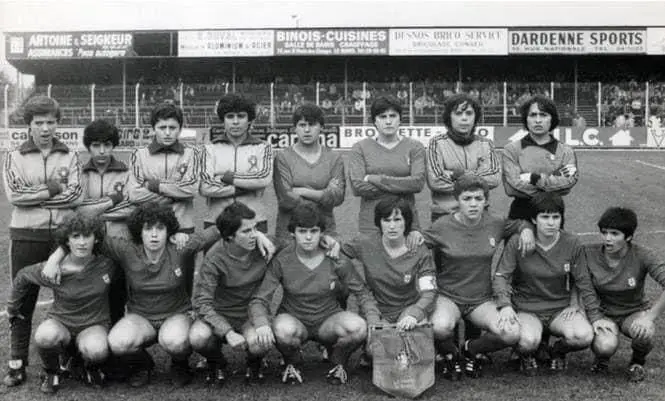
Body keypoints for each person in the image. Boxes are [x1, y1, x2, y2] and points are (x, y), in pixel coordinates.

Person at [42, 202, 221, 387]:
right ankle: (142, 365)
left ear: (169, 231)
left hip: (176, 314)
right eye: (148, 229)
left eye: (160, 229)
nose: (154, 234)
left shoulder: (180, 246)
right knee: (118, 343)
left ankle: (180, 365)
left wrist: (251, 230)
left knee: (175, 341)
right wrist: (56, 257)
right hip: (140, 317)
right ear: (139, 232)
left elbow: (218, 230)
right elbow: (87, 237)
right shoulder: (127, 250)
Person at [249, 204, 380, 385]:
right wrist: (262, 323)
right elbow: (260, 299)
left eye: (314, 231)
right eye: (303, 231)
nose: (309, 237)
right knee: (282, 330)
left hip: (328, 321)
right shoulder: (282, 259)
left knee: (357, 327)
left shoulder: (335, 257)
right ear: (293, 233)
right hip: (295, 319)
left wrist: (373, 321)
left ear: (322, 233)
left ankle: (338, 362)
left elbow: (363, 292)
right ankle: (292, 362)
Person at [2, 95, 83, 386]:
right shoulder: (14, 155)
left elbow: (76, 195)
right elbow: (14, 196)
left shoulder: (70, 154)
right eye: (39, 123)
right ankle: (17, 361)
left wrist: (35, 198)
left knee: (71, 295)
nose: (46, 128)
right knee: (22, 300)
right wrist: (51, 191)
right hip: (26, 235)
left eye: (51, 122)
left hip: (62, 237)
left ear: (57, 123)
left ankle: (71, 355)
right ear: (29, 125)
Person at [422, 174, 531, 379]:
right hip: (448, 296)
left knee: (511, 332)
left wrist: (526, 231)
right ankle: (451, 354)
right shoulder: (442, 225)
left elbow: (519, 225)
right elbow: (419, 242)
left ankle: (470, 349)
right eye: (467, 198)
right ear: (457, 200)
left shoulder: (495, 223)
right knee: (439, 327)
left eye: (478, 199)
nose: (473, 204)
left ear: (486, 200)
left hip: (481, 300)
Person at [493, 193, 603, 376]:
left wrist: (595, 316)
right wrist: (504, 305)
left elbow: (584, 281)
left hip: (559, 309)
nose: (551, 223)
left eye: (556, 217)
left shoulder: (572, 243)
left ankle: (556, 351)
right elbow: (501, 276)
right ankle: (526, 354)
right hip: (527, 308)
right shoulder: (517, 242)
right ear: (533, 220)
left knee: (583, 336)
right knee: (527, 341)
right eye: (545, 217)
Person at [7, 213, 113, 393]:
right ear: (67, 241)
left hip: (94, 324)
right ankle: (51, 371)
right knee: (45, 336)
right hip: (61, 322)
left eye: (87, 236)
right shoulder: (56, 269)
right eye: (75, 236)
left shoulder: (108, 264)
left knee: (97, 350)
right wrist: (12, 306)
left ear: (96, 239)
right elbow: (23, 275)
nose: (81, 242)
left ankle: (88, 367)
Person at [189, 202, 277, 386]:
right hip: (220, 314)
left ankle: (254, 363)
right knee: (198, 337)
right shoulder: (214, 259)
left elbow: (296, 241)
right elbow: (201, 303)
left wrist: (329, 241)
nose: (253, 234)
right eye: (246, 231)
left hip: (250, 314)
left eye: (255, 228)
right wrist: (226, 331)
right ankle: (217, 362)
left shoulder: (264, 246)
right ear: (229, 236)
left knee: (261, 342)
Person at [586, 207, 665, 382]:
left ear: (628, 237)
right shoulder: (589, 253)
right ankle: (601, 359)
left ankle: (637, 362)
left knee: (645, 331)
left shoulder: (643, 254)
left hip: (633, 311)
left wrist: (649, 317)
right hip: (603, 313)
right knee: (605, 346)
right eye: (604, 232)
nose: (607, 238)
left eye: (614, 234)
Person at [342, 196, 437, 329]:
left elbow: (429, 291)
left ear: (406, 222)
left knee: (410, 332)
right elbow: (338, 255)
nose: (392, 226)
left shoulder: (419, 248)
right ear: (379, 222)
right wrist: (354, 281)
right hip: (376, 308)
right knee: (380, 341)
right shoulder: (364, 243)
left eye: (397, 220)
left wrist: (414, 314)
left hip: (408, 308)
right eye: (386, 220)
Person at [78, 119, 135, 325]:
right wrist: (112, 200)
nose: (102, 151)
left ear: (114, 145)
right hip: (87, 247)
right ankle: (81, 351)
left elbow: (131, 206)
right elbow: (78, 210)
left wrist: (95, 210)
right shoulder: (80, 173)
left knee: (117, 297)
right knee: (88, 297)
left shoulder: (127, 172)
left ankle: (116, 350)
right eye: (96, 145)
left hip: (119, 243)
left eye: (107, 145)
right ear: (88, 146)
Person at [347, 95, 426, 235]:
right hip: (370, 223)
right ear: (375, 121)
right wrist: (403, 187)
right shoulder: (359, 148)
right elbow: (358, 187)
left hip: (407, 222)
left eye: (393, 116)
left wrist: (376, 179)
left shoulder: (415, 147)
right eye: (383, 117)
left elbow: (418, 183)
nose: (388, 121)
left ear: (400, 119)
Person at [199, 94, 273, 233]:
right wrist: (247, 187)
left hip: (254, 221)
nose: (235, 122)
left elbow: (263, 179)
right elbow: (205, 186)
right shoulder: (209, 148)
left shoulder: (263, 147)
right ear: (223, 120)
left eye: (241, 116)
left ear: (249, 119)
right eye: (230, 116)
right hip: (216, 222)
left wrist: (228, 178)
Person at [273, 103, 345, 240]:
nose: (307, 130)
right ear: (295, 128)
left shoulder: (334, 158)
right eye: (302, 125)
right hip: (289, 231)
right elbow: (286, 199)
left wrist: (304, 191)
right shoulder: (283, 157)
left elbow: (337, 196)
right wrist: (323, 195)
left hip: (325, 230)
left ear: (321, 127)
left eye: (312, 125)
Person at [502, 95, 578, 222]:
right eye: (533, 115)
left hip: (552, 216)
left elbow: (567, 185)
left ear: (552, 118)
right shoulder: (511, 150)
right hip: (520, 216)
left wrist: (534, 179)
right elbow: (512, 188)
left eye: (543, 115)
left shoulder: (566, 152)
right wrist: (551, 181)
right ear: (526, 119)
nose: (538, 120)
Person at [426, 93, 501, 221]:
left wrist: (456, 174)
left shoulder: (486, 144)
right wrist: (476, 177)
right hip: (445, 216)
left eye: (469, 113)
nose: (464, 118)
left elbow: (494, 178)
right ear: (449, 117)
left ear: (475, 117)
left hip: (480, 215)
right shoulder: (436, 143)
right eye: (458, 113)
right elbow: (436, 180)